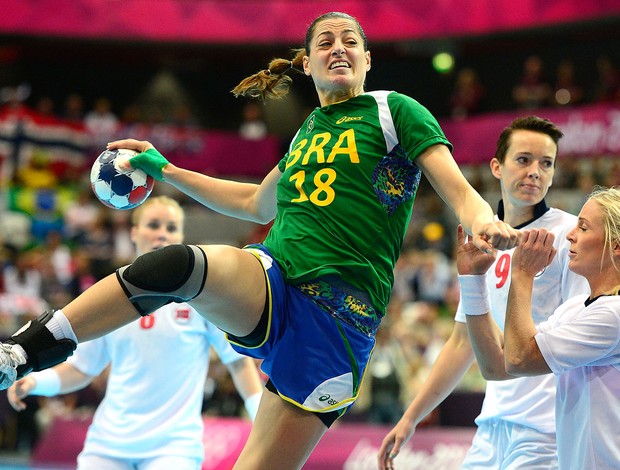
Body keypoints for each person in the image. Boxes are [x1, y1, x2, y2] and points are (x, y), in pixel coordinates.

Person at [0, 12, 520, 470]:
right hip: (275, 280)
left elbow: (457, 188)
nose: (338, 47)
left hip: (337, 325)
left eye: (349, 40)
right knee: (178, 266)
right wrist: (168, 169)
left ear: (366, 59)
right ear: (308, 63)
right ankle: (24, 352)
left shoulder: (394, 111)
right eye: (325, 42)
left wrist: (482, 219)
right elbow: (255, 205)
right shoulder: (307, 130)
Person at [378, 116, 589, 470]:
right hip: (491, 423)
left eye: (546, 163)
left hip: (547, 429)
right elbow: (462, 343)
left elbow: (578, 330)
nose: (535, 171)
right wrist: (410, 418)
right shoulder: (481, 242)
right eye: (523, 160)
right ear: (496, 167)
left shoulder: (568, 236)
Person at [7, 196, 263, 470]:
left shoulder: (200, 300)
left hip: (173, 447)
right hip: (108, 443)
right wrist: (36, 382)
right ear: (134, 232)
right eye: (153, 225)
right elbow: (82, 370)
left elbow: (237, 362)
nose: (162, 233)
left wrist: (259, 413)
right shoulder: (106, 298)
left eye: (171, 227)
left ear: (181, 236)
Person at [461, 185, 620, 469]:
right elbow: (497, 365)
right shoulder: (579, 308)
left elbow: (519, 358)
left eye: (583, 228)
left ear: (616, 246)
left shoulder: (614, 314)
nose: (570, 234)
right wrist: (473, 279)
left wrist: (522, 272)